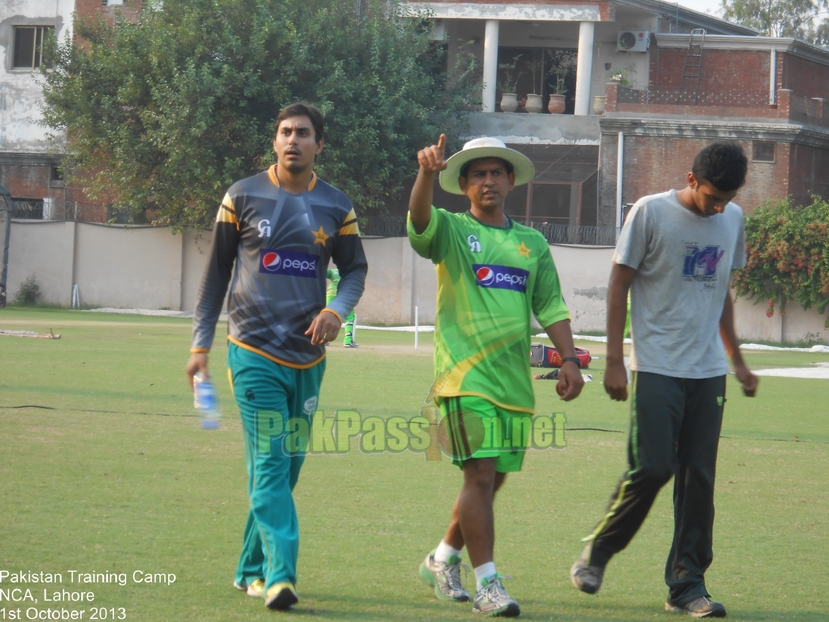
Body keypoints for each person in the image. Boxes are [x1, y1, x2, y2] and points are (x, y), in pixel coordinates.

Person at [185, 102, 367, 611]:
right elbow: (216, 276)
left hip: (308, 359)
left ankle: (248, 568)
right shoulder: (241, 196)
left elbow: (354, 270)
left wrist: (337, 309)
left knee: (284, 470)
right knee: (269, 460)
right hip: (252, 352)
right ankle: (280, 576)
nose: (293, 140)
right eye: (285, 132)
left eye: (303, 134)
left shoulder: (336, 204)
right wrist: (201, 346)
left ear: (319, 144)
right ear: (274, 141)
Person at [570, 141, 759, 618]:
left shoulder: (732, 220)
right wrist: (615, 359)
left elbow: (722, 292)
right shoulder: (650, 213)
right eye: (713, 197)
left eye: (728, 199)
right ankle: (598, 552)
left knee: (699, 480)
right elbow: (619, 282)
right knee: (654, 468)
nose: (719, 207)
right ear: (692, 179)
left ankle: (687, 585)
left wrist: (736, 359)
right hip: (656, 365)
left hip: (708, 372)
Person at [409, 135, 584, 617]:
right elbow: (420, 223)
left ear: (510, 181)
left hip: (514, 384)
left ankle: (442, 559)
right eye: (478, 173)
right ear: (463, 184)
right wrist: (425, 173)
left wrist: (568, 359)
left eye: (496, 172)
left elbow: (550, 304)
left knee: (492, 479)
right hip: (463, 379)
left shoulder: (532, 243)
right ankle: (488, 584)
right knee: (479, 474)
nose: (488, 180)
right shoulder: (451, 228)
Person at [326, 269, 358, 347]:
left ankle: (323, 339)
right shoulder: (351, 272)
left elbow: (322, 272)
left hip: (331, 294)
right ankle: (347, 341)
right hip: (344, 295)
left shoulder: (333, 271)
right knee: (350, 317)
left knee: (327, 316)